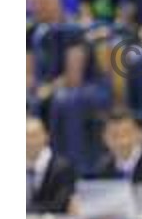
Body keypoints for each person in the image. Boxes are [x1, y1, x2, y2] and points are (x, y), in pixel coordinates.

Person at [48, 43, 112, 176]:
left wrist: (75, 91)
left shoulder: (98, 85)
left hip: (93, 146)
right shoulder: (59, 93)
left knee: (70, 101)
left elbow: (104, 100)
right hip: (64, 148)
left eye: (78, 62)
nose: (74, 66)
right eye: (70, 62)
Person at [26, 115, 77, 214]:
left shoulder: (63, 168)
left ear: (46, 136)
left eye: (33, 135)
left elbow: (60, 204)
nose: (28, 141)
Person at [94, 110, 142, 182]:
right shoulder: (104, 168)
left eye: (126, 134)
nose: (121, 141)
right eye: (114, 136)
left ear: (138, 134)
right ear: (105, 138)